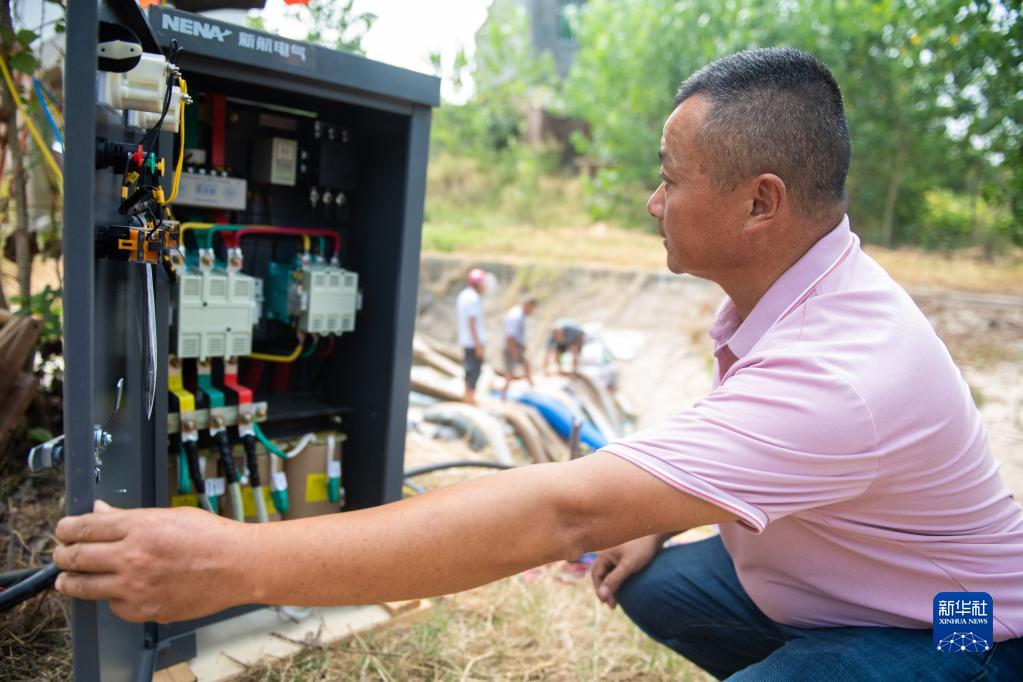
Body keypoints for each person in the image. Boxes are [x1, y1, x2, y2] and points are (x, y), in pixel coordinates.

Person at [53, 48, 1023, 679]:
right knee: (649, 577)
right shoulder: (800, 292)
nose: (652, 201)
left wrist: (230, 561)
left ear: (759, 203)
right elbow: (722, 456)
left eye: (669, 178)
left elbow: (562, 511)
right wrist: (660, 513)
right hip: (843, 584)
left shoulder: (843, 369)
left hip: (964, 624)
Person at [456, 268, 488, 405]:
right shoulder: (473, 298)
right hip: (473, 342)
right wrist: (477, 344)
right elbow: (472, 322)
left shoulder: (463, 295)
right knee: (474, 370)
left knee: (468, 369)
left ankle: (467, 397)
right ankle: (470, 399)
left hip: (466, 340)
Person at [501, 296, 538, 399]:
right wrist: (513, 350)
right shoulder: (516, 316)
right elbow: (510, 336)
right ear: (528, 305)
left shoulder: (519, 314)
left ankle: (531, 386)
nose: (532, 311)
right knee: (510, 373)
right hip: (512, 347)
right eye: (532, 308)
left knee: (525, 365)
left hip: (515, 346)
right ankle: (503, 395)